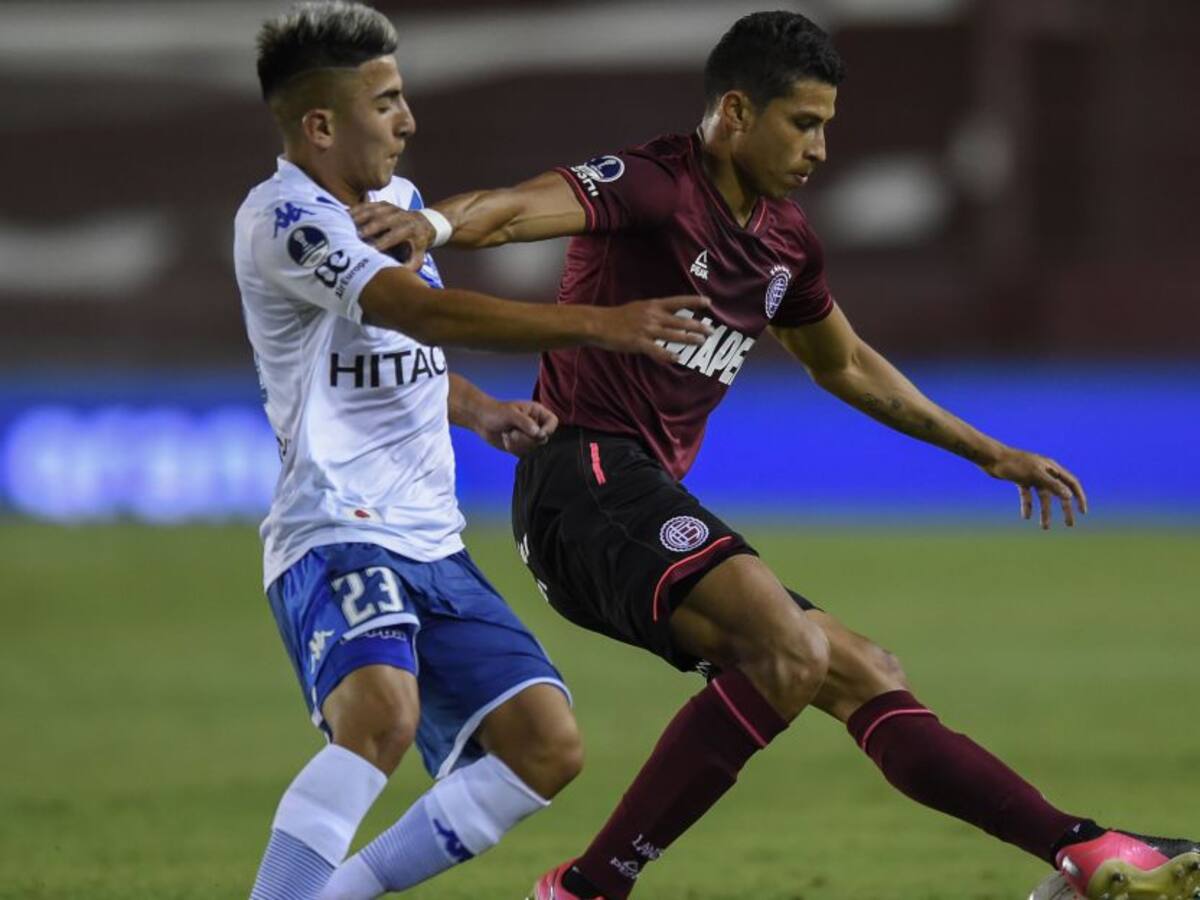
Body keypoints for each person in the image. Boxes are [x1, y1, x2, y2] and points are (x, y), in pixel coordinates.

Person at [350, 10, 1199, 900]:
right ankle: (587, 889)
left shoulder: (786, 244)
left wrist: (987, 452)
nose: (821, 147)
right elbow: (514, 209)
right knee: (787, 653)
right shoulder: (655, 186)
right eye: (804, 121)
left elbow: (847, 364)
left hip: (639, 497)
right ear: (733, 114)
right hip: (583, 481)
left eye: (827, 124)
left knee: (864, 672)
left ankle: (1082, 849)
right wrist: (434, 230)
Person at [232, 3, 711, 899]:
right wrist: (600, 325)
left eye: (404, 96)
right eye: (386, 102)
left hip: (432, 539)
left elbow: (407, 354)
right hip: (337, 526)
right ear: (321, 124)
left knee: (545, 746)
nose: (408, 120)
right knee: (379, 716)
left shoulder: (402, 208)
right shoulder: (285, 221)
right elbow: (421, 312)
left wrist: (480, 409)